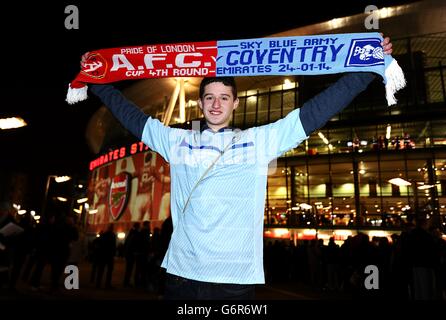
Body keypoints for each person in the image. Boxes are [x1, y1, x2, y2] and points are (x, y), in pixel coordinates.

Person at [85, 36, 393, 300]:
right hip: (182, 277)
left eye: (224, 98)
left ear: (235, 104)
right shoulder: (177, 141)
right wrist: (99, 82)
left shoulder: (259, 142)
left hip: (234, 282)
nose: (216, 104)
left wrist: (368, 69)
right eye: (209, 97)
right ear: (201, 104)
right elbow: (132, 117)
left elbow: (314, 113)